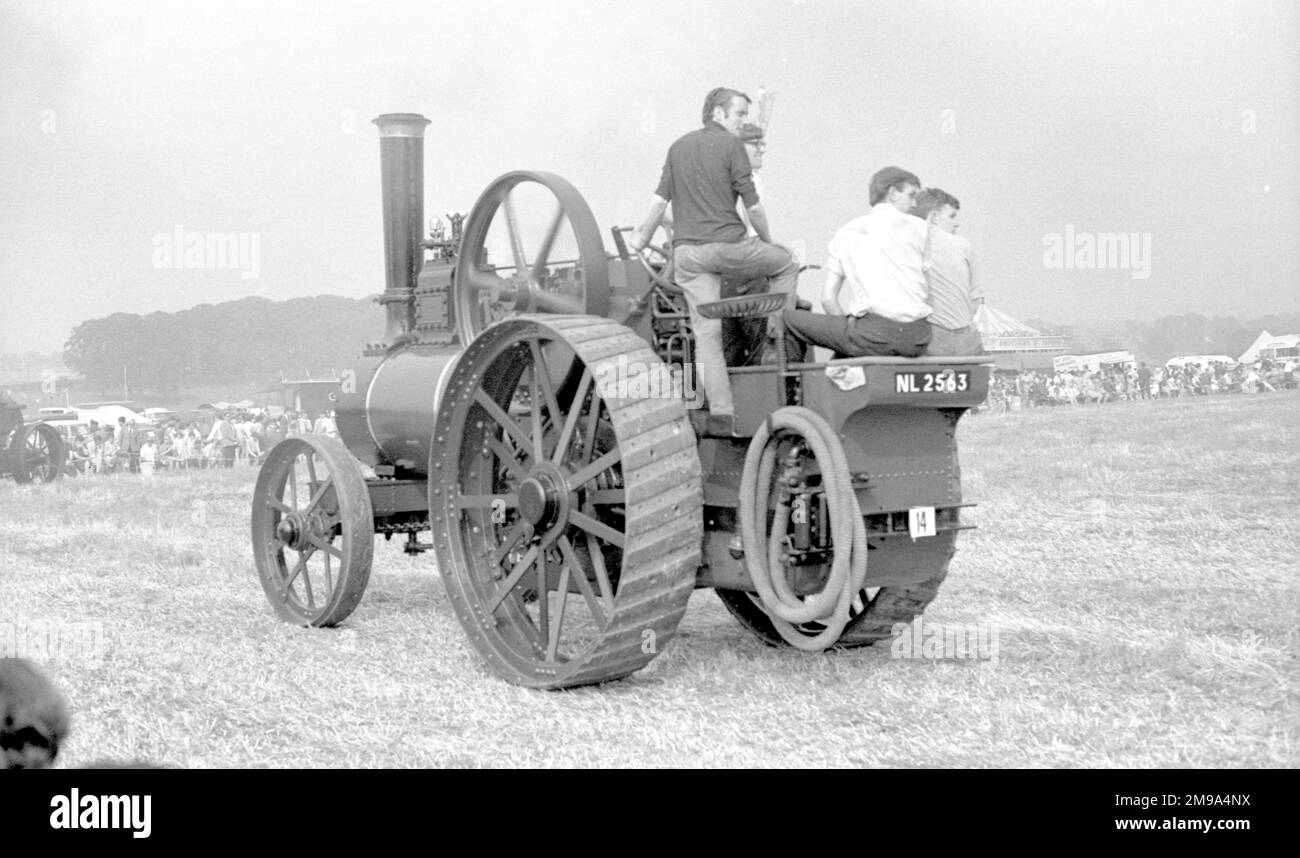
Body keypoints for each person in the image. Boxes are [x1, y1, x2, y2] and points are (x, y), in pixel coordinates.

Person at [629, 86, 800, 433]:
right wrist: (770, 243)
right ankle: (773, 339)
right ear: (718, 114)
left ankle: (723, 411)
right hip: (729, 247)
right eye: (739, 114)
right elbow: (753, 208)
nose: (742, 122)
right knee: (786, 264)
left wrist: (641, 238)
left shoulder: (677, 147)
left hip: (688, 256)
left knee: (706, 335)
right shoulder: (731, 145)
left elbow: (659, 202)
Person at [782, 166, 933, 359]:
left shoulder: (847, 232)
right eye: (912, 195)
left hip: (873, 334)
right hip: (919, 338)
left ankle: (790, 387)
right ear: (893, 193)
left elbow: (828, 298)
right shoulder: (921, 228)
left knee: (787, 319)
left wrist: (845, 331)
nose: (914, 204)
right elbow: (929, 290)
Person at [912, 188, 984, 356]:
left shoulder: (913, 246)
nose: (956, 223)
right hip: (966, 336)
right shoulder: (963, 246)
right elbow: (975, 298)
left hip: (932, 335)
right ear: (934, 217)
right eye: (951, 216)